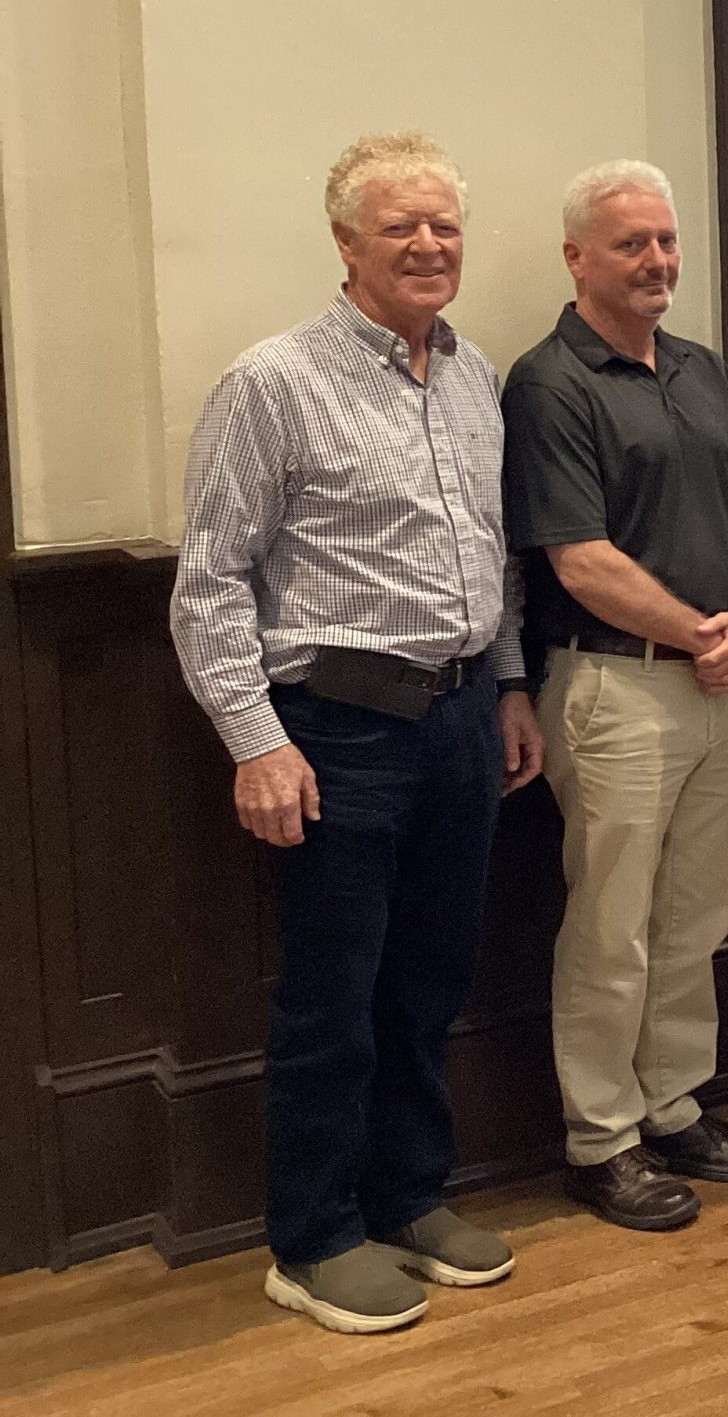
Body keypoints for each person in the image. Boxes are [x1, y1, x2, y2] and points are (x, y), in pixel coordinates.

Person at [170, 132, 543, 1334]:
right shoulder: (273, 383)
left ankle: (409, 1196)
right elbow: (211, 584)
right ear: (345, 243)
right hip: (335, 732)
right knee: (332, 996)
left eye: (444, 226)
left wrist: (510, 684)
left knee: (429, 979)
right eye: (400, 228)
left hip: (462, 721)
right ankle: (315, 1236)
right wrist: (254, 741)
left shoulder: (474, 376)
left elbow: (490, 553)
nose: (430, 247)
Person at [501, 161, 728, 1233]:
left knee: (693, 915)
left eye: (666, 241)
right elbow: (578, 559)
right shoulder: (548, 382)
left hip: (716, 684)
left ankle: (671, 1106)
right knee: (612, 924)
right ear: (578, 257)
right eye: (633, 245)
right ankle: (601, 1139)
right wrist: (704, 633)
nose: (659, 261)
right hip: (615, 687)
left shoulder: (700, 367)